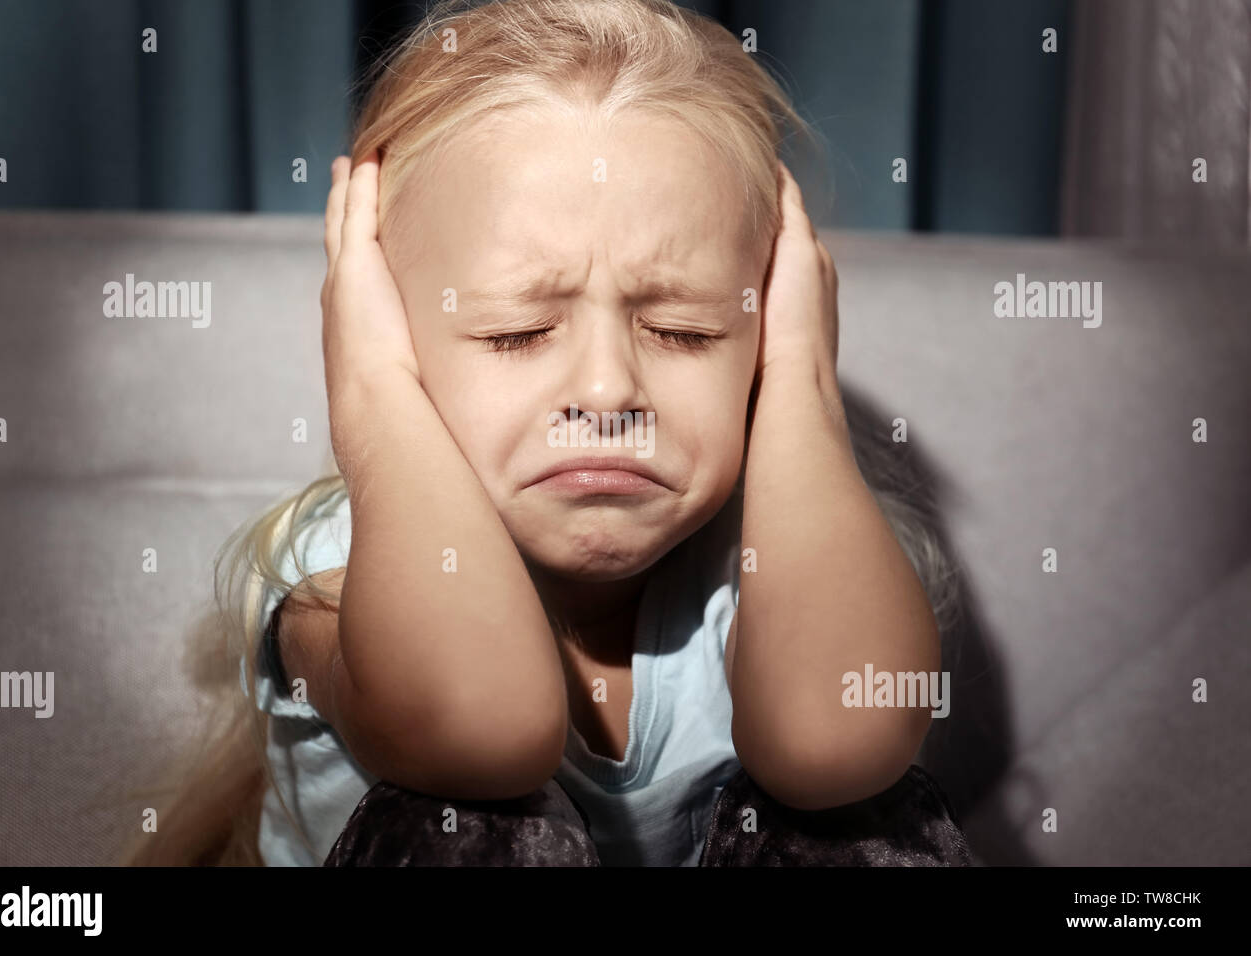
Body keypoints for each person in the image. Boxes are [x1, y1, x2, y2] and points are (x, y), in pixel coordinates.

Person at [118, 0, 966, 867]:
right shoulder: (330, 577)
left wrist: (803, 389)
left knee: (859, 826)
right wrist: (373, 395)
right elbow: (481, 731)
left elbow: (839, 738)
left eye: (687, 330)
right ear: (383, 328)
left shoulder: (770, 559)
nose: (607, 389)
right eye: (513, 332)